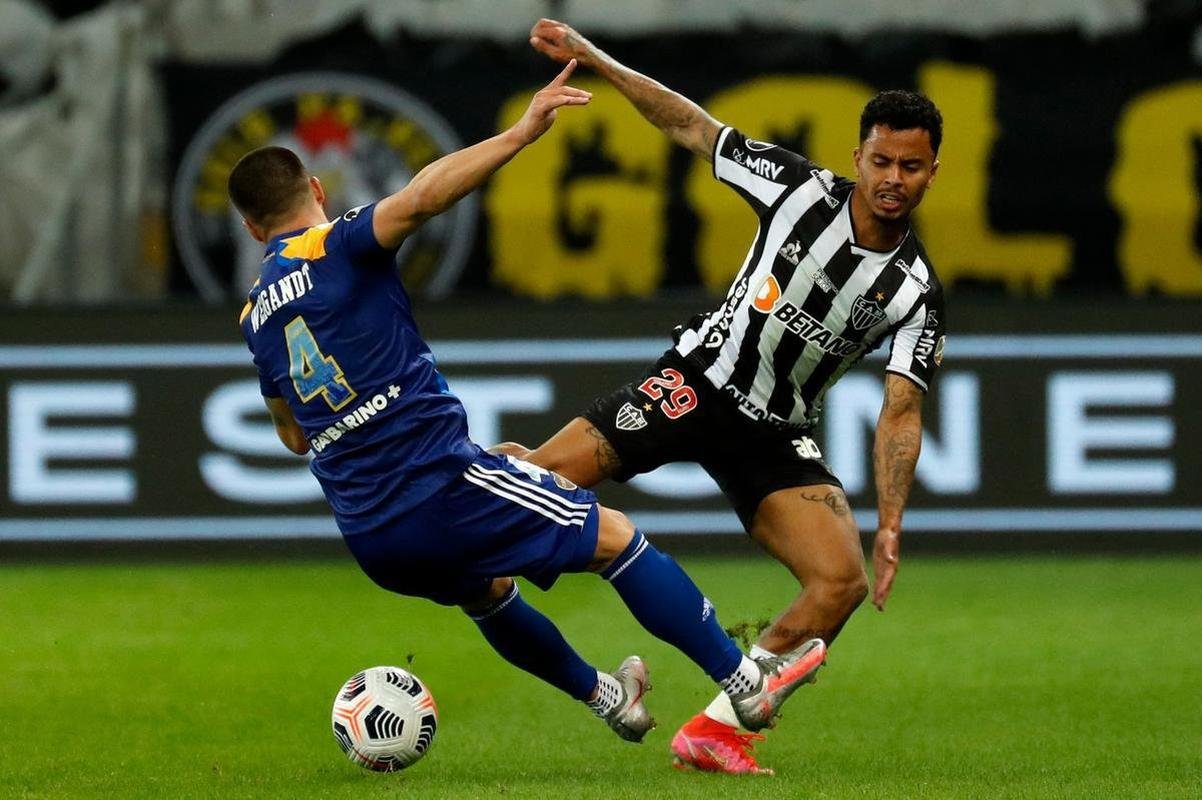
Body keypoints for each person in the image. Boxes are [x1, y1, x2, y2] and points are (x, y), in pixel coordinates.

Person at [231, 60, 826, 751]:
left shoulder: (253, 316)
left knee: (486, 592)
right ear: (315, 188)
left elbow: (294, 438)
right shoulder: (333, 243)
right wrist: (519, 134)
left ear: (249, 229)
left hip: (371, 536)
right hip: (438, 486)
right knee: (616, 539)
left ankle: (611, 698)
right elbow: (422, 199)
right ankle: (743, 684)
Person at [521, 20, 946, 774]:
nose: (892, 177)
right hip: (696, 384)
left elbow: (901, 411)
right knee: (532, 487)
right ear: (858, 157)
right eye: (881, 159)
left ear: (931, 172)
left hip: (775, 432)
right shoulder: (795, 188)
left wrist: (890, 524)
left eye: (910, 166)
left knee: (840, 580)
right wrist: (597, 59)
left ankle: (716, 731)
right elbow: (688, 122)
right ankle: (452, 494)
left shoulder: (916, 292)